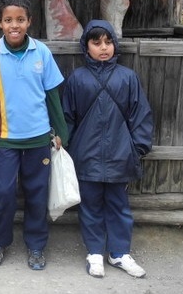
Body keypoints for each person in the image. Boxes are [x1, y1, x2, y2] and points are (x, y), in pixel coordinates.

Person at [0, 0, 68, 270]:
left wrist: (61, 132)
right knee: (4, 192)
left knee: (36, 192)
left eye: (20, 19)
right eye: (8, 20)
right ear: (0, 23)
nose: (14, 25)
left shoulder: (41, 52)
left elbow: (53, 96)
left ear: (29, 21)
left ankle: (36, 245)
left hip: (39, 138)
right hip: (5, 139)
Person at [62, 19, 153, 279]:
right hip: (86, 157)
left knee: (119, 206)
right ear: (86, 46)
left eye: (108, 42)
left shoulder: (128, 78)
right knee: (90, 206)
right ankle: (94, 253)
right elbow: (67, 116)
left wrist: (137, 149)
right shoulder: (77, 79)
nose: (103, 48)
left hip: (120, 155)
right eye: (96, 42)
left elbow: (141, 115)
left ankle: (119, 253)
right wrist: (65, 147)